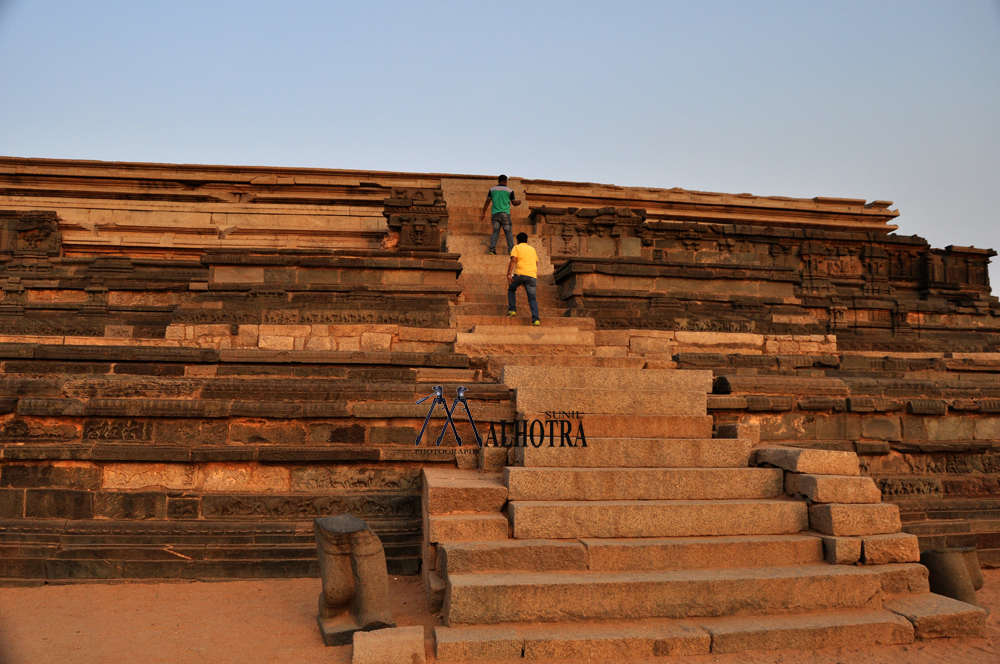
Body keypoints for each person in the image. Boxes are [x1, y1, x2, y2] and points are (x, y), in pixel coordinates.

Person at [480, 175, 521, 255]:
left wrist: (483, 212)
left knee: (495, 232)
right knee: (508, 232)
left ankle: (492, 249)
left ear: (498, 181)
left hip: (495, 214)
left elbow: (487, 201)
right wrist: (518, 202)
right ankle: (510, 250)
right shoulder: (509, 190)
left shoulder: (492, 190)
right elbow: (514, 203)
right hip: (505, 214)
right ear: (506, 181)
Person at [507, 232, 540, 325]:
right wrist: (532, 274)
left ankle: (512, 309)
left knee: (511, 289)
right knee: (532, 298)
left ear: (517, 240)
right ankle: (536, 319)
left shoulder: (516, 247)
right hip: (532, 276)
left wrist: (509, 274)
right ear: (527, 240)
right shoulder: (532, 249)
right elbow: (536, 263)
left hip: (519, 274)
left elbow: (513, 260)